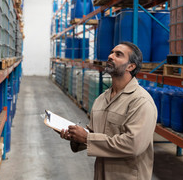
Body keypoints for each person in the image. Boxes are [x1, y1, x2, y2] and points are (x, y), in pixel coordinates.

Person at [60, 42, 157, 180]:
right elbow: (95, 133)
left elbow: (133, 145)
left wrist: (87, 138)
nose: (110, 56)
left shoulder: (141, 101)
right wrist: (75, 137)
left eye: (118, 55)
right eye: (111, 52)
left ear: (131, 66)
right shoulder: (102, 99)